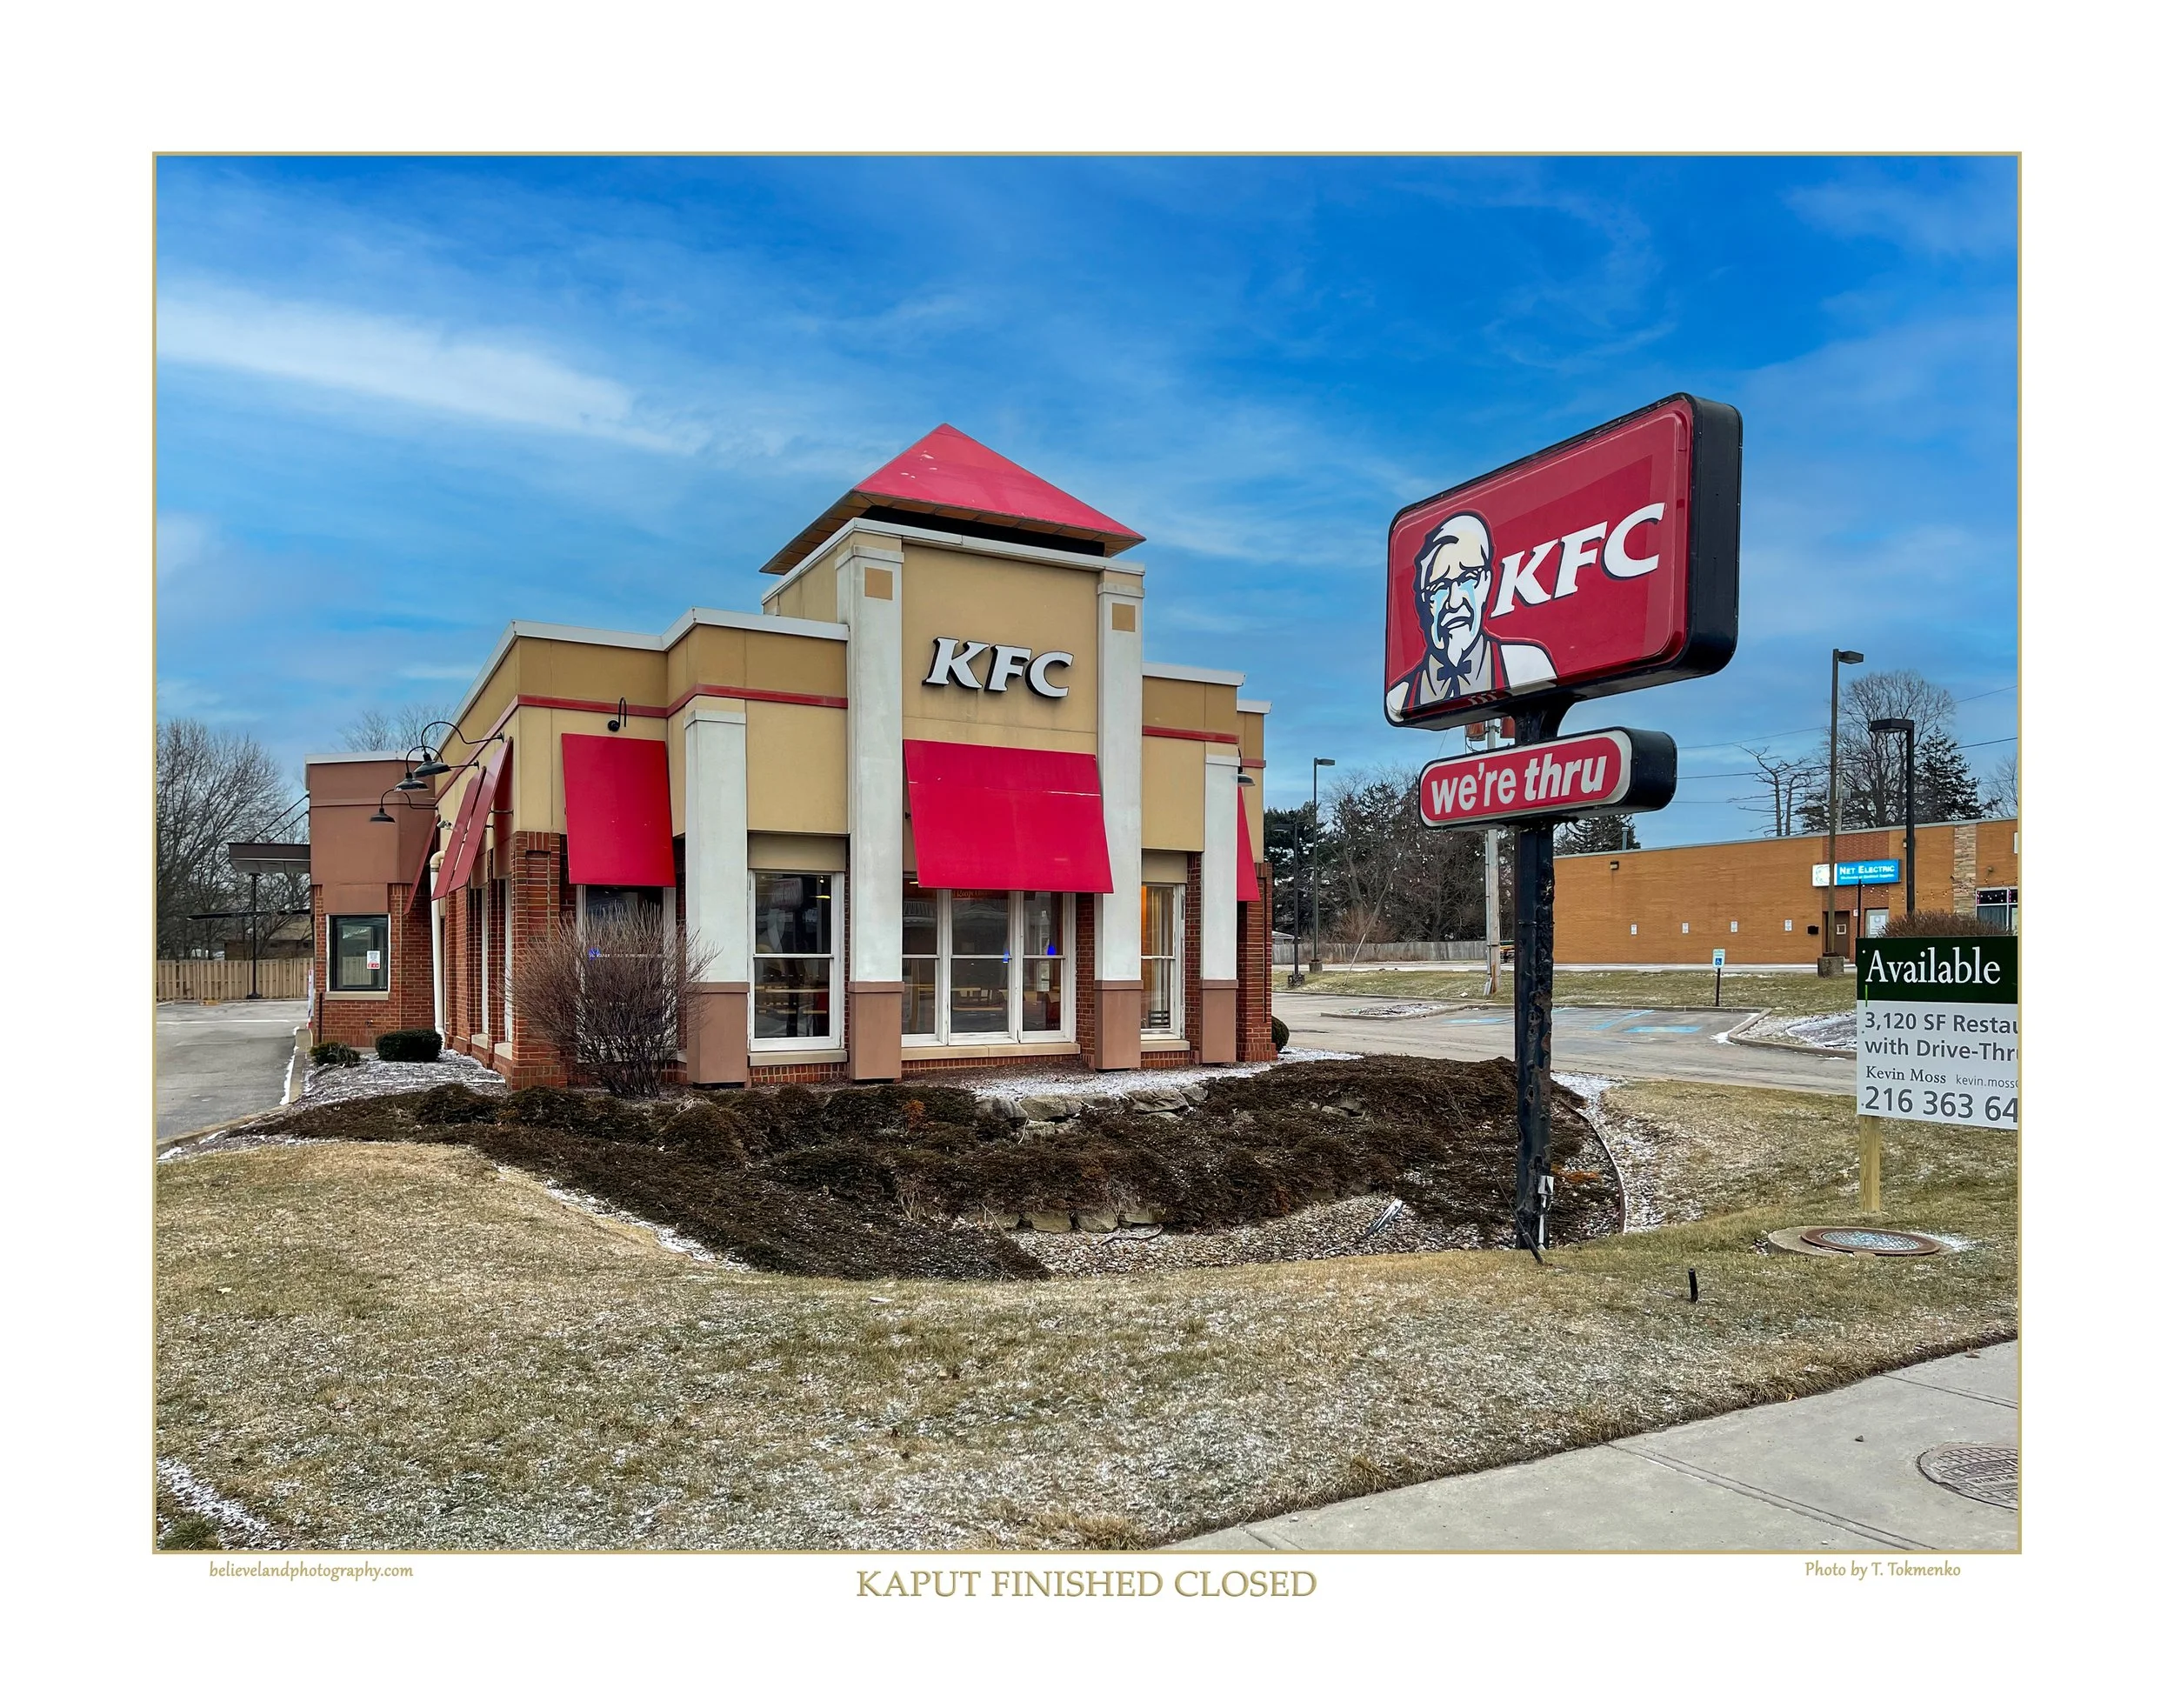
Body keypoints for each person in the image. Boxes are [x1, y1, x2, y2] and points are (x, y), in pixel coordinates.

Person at [1386, 510, 1554, 722]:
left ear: (1486, 583)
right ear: (1427, 602)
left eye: (1468, 578)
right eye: (1440, 587)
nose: (1454, 602)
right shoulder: (1401, 696)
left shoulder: (1527, 664)